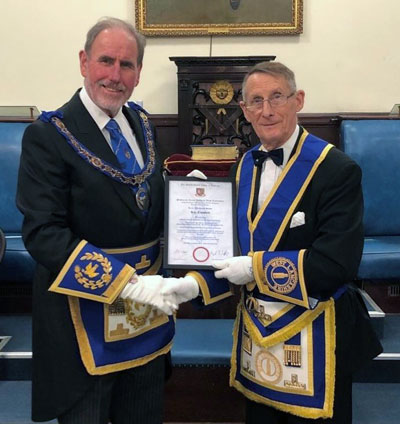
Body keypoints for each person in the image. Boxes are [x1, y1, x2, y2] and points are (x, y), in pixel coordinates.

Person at [162, 61, 383, 423]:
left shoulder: (337, 170)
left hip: (317, 334)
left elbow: (336, 264)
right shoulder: (244, 166)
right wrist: (192, 281)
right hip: (259, 337)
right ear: (245, 111)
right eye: (256, 101)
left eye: (277, 97)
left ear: (298, 100)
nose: (267, 110)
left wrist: (254, 268)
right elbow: (230, 251)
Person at [17, 17, 183, 424]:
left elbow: (144, 204)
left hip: (145, 319)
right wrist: (125, 283)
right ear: (83, 62)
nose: (115, 75)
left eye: (127, 65)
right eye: (105, 61)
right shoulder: (49, 135)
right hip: (81, 322)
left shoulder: (142, 124)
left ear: (139, 72)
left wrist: (188, 201)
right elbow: (44, 234)